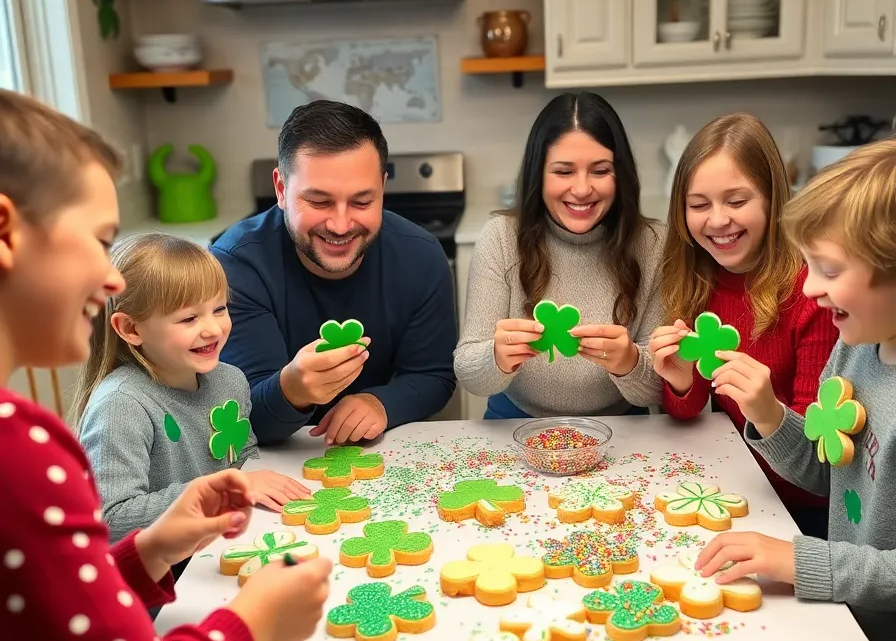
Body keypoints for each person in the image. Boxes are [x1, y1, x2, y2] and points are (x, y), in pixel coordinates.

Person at [0, 91, 332, 641]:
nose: (109, 276)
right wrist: (252, 624)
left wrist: (149, 549)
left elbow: (48, 622)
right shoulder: (18, 449)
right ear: (6, 229)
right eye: (100, 239)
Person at [696, 142, 896, 641]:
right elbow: (824, 472)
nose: (809, 287)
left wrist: (799, 560)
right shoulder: (856, 347)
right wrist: (768, 413)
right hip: (847, 620)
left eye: (829, 269)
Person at [212, 100, 456, 446]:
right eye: (319, 201)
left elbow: (433, 375)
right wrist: (292, 389)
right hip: (272, 465)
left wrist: (382, 403)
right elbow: (241, 417)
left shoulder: (421, 256)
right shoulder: (234, 267)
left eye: (361, 202)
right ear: (281, 189)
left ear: (382, 188)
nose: (341, 225)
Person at [648, 113, 837, 538]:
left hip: (805, 514)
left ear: (772, 199)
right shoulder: (697, 277)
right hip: (735, 490)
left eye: (736, 201)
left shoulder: (812, 293)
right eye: (699, 205)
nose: (717, 221)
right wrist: (680, 383)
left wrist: (768, 411)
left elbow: (820, 462)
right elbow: (689, 412)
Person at [76, 234, 309, 543]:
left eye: (220, 309)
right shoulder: (121, 405)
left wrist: (244, 483)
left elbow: (245, 460)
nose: (213, 329)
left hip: (219, 549)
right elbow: (111, 520)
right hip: (159, 578)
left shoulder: (230, 380)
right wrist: (227, 488)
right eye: (189, 318)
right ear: (131, 329)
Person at [454, 92, 664, 418]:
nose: (581, 189)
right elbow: (468, 373)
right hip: (514, 420)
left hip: (621, 426)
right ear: (538, 174)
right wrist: (495, 357)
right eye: (563, 172)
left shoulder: (653, 245)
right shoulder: (500, 238)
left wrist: (631, 364)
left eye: (600, 170)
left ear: (620, 174)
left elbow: (660, 389)